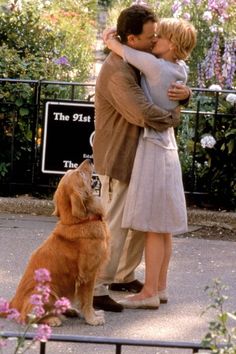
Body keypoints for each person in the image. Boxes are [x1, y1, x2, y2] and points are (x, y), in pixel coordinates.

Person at [92, 5, 191, 312]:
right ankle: (96, 286)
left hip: (139, 155)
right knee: (116, 224)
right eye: (150, 36)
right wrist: (174, 115)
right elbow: (142, 113)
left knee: (138, 223)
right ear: (132, 40)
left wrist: (184, 95)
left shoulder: (139, 60)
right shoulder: (118, 69)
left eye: (157, 35)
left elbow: (166, 84)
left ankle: (122, 275)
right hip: (118, 155)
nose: (154, 39)